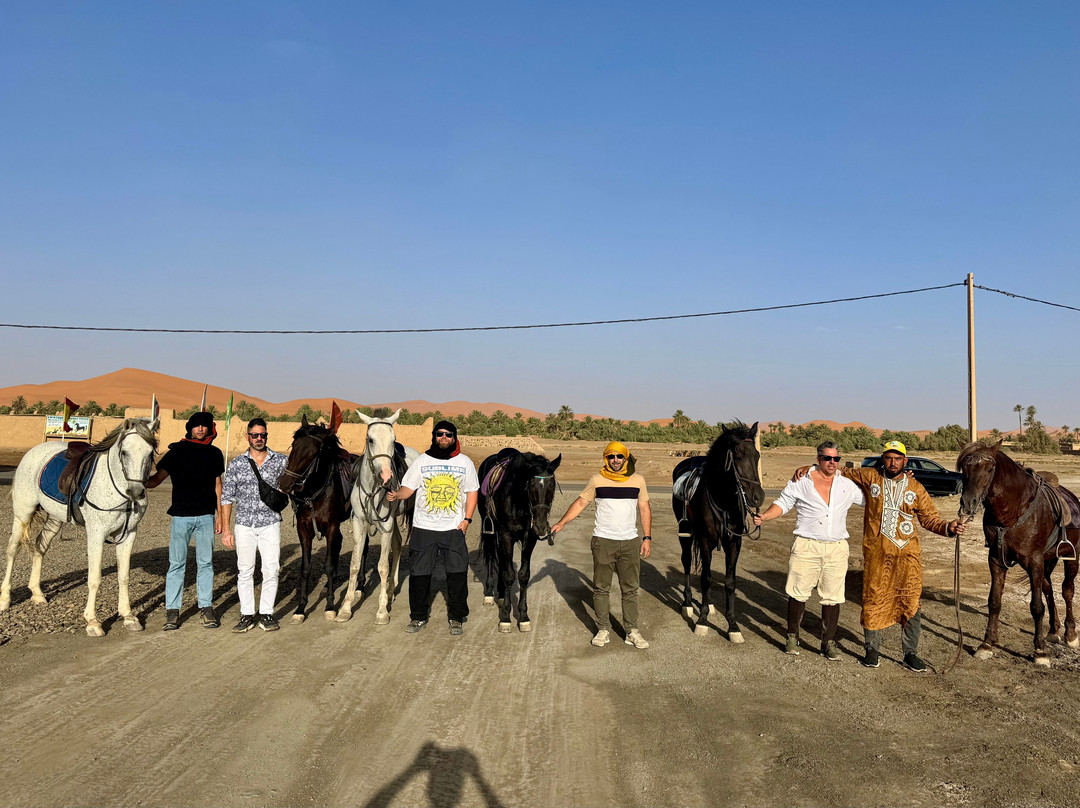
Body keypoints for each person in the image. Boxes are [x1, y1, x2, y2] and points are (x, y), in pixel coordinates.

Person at [799, 440, 967, 671]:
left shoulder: (916, 488)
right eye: (888, 458)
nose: (893, 462)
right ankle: (872, 650)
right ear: (883, 459)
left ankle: (910, 653)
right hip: (877, 555)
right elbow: (839, 470)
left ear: (905, 461)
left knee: (910, 602)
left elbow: (929, 519)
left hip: (908, 558)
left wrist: (949, 527)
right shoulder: (870, 478)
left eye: (898, 458)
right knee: (873, 599)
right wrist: (810, 469)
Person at [754, 441, 865, 660]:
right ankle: (792, 637)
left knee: (833, 596)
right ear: (818, 459)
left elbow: (872, 500)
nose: (832, 463)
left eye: (836, 459)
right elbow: (784, 503)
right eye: (827, 458)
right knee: (798, 592)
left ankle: (828, 643)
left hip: (836, 547)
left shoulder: (847, 485)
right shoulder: (801, 481)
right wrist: (765, 517)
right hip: (807, 544)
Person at [551, 441, 652, 649]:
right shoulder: (597, 479)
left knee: (630, 589)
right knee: (601, 588)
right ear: (606, 458)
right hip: (603, 541)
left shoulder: (638, 480)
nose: (616, 460)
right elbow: (580, 503)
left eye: (619, 456)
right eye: (611, 457)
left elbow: (644, 508)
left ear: (626, 458)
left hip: (630, 541)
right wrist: (561, 523)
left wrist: (647, 537)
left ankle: (631, 630)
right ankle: (603, 629)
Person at [387, 420, 478, 636]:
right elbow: (408, 488)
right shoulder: (422, 461)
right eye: (440, 434)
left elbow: (472, 492)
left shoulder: (465, 462)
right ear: (434, 436)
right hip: (424, 528)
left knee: (457, 574)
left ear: (455, 437)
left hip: (453, 528)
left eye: (448, 434)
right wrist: (396, 494)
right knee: (419, 574)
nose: (444, 438)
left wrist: (467, 520)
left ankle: (456, 617)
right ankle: (418, 617)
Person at [146, 411, 225, 630]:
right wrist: (134, 481)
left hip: (206, 517)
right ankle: (172, 611)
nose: (200, 429)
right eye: (197, 425)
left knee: (206, 563)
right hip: (181, 516)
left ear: (209, 429)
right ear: (190, 428)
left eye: (204, 425)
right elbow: (155, 481)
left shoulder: (215, 454)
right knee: (176, 564)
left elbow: (218, 487)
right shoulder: (176, 452)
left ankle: (206, 607)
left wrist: (220, 517)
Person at [220, 418, 288, 633]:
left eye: (263, 435)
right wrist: (227, 530)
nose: (259, 439)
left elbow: (294, 484)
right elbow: (226, 498)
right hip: (244, 525)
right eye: (255, 435)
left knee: (271, 570)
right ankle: (247, 614)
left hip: (270, 523)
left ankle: (266, 613)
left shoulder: (280, 461)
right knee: (245, 570)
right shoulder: (237, 463)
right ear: (247, 436)